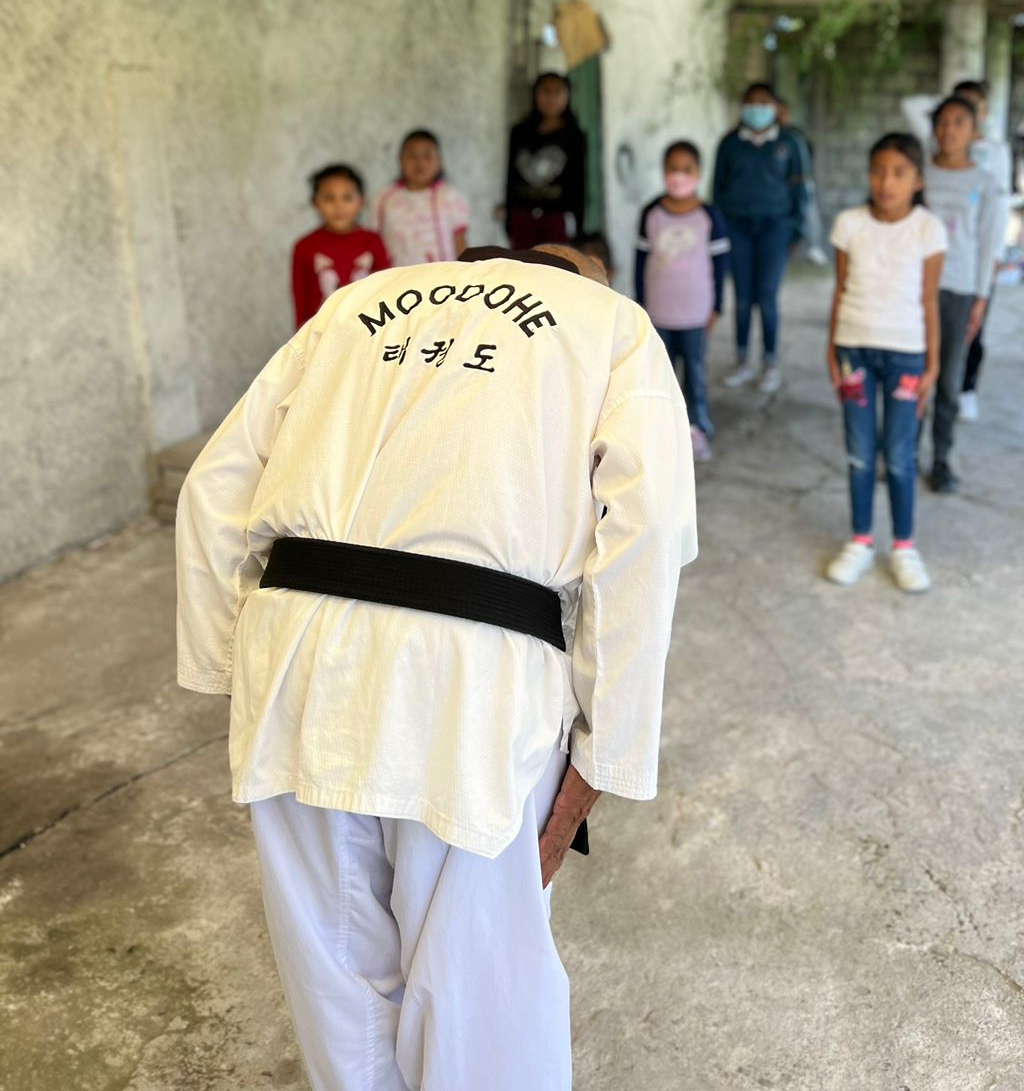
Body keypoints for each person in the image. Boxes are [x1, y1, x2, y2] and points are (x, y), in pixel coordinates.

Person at [175, 242, 696, 1091]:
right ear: (579, 280)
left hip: (298, 645)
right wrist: (604, 757)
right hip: (471, 678)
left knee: (336, 977)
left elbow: (215, 486)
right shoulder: (612, 324)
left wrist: (233, 669)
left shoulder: (359, 304)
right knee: (477, 995)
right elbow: (646, 533)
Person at [824, 134, 946, 593]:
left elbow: (929, 299)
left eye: (898, 173)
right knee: (859, 454)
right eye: (878, 171)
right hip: (853, 350)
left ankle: (904, 547)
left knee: (899, 455)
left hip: (907, 355)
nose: (886, 182)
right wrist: (831, 346)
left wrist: (932, 364)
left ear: (917, 180)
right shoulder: (849, 225)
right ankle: (860, 541)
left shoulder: (927, 229)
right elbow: (839, 291)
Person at [921, 96, 1003, 493]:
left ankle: (941, 458)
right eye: (942, 122)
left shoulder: (985, 183)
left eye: (959, 122)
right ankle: (902, 455)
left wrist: (981, 297)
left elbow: (988, 246)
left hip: (959, 290)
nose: (949, 130)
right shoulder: (918, 175)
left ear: (974, 132)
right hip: (915, 287)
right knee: (912, 374)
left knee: (949, 381)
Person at [635, 140, 731, 463]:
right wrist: (641, 305)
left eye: (686, 169)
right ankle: (661, 434)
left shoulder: (710, 216)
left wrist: (717, 307)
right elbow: (640, 262)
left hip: (695, 314)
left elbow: (720, 266)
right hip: (658, 313)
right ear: (664, 172)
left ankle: (698, 428)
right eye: (672, 168)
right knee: (660, 375)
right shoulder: (651, 213)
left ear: (698, 173)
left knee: (695, 374)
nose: (679, 175)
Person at [713, 82, 807, 395]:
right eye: (750, 102)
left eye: (763, 102)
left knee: (766, 298)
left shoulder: (789, 143)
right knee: (742, 298)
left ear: (775, 107)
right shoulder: (729, 143)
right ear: (742, 107)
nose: (757, 108)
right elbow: (718, 189)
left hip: (775, 228)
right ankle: (742, 360)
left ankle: (770, 363)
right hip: (737, 228)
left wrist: (797, 230)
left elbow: (799, 191)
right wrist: (720, 231)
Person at [949, 79, 1013, 422]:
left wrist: (997, 255)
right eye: (960, 106)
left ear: (985, 112)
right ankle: (941, 384)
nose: (967, 113)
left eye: (975, 107)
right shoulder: (940, 146)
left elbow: (999, 209)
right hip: (948, 253)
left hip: (982, 252)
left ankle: (967, 387)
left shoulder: (997, 152)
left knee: (975, 325)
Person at [291, 163, 390, 331]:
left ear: (361, 201)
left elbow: (387, 289)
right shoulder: (305, 246)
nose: (338, 205)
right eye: (329, 198)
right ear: (315, 202)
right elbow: (301, 298)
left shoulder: (372, 241)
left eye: (347, 197)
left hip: (368, 331)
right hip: (322, 333)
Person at [505, 73, 587, 250]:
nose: (551, 97)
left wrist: (578, 223)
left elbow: (579, 181)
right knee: (522, 270)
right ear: (535, 94)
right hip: (522, 217)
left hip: (557, 218)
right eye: (545, 91)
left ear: (568, 95)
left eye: (558, 91)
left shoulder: (574, 136)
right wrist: (508, 217)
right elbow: (510, 177)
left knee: (555, 270)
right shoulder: (519, 133)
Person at [374, 129, 470, 267]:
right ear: (400, 159)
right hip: (396, 278)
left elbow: (460, 241)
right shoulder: (384, 198)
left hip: (441, 277)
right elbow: (374, 241)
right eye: (412, 156)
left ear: (439, 161)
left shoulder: (451, 197)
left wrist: (464, 273)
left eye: (427, 156)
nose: (419, 162)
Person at [777, 97, 826, 266]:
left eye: (784, 112)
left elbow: (808, 154)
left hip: (799, 182)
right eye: (778, 111)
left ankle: (813, 246)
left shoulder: (794, 135)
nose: (780, 116)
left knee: (809, 213)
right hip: (779, 188)